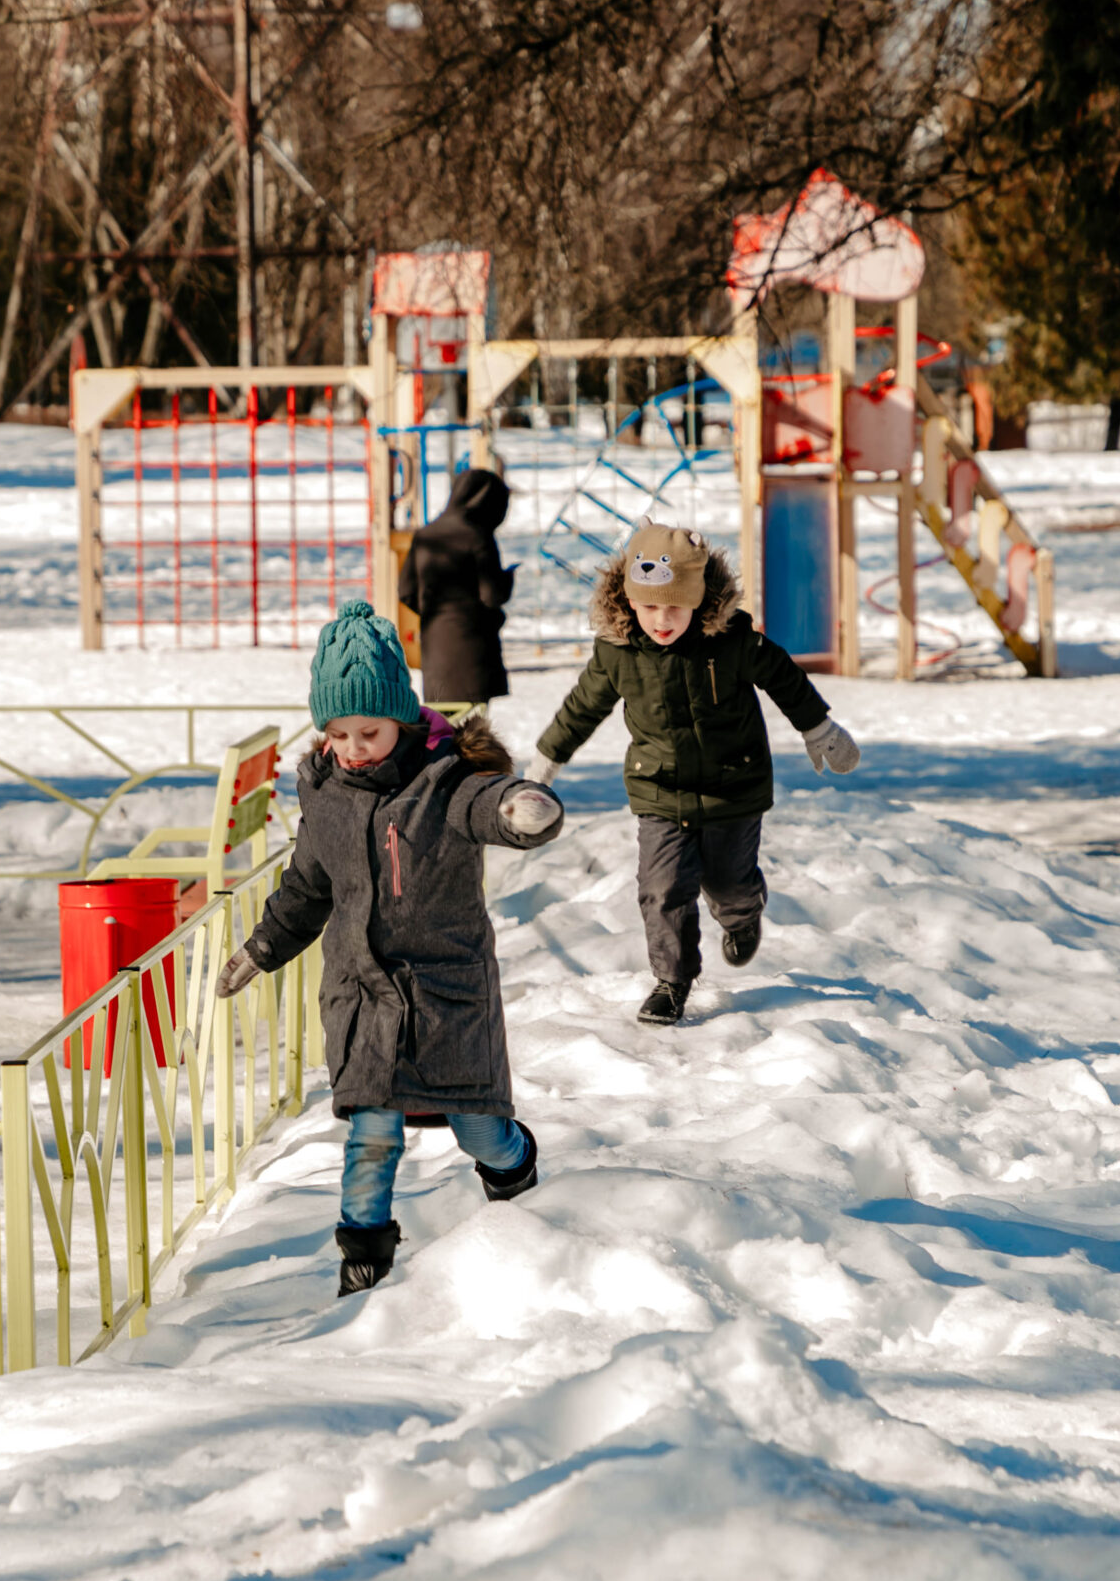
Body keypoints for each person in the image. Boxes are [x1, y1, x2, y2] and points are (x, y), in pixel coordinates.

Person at [214, 598, 565, 1295]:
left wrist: (519, 812)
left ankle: (524, 1197)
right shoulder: (329, 800)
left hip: (445, 997)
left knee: (481, 1134)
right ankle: (363, 1263)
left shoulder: (444, 785)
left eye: (367, 732)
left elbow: (488, 804)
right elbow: (307, 890)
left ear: (401, 719)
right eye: (337, 734)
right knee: (371, 1136)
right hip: (363, 999)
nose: (351, 750)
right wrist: (260, 949)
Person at [526, 524, 861, 1026]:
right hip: (660, 788)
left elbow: (784, 679)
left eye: (675, 607)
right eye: (650, 607)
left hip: (735, 784)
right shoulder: (618, 652)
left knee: (728, 882)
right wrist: (542, 768)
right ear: (629, 602)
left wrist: (818, 728)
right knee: (662, 889)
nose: (662, 621)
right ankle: (672, 981)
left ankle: (743, 911)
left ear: (699, 600)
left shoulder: (731, 641)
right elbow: (581, 710)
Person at [397, 466, 515, 704]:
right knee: (472, 734)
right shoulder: (477, 535)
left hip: (435, 651)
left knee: (440, 730)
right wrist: (508, 578)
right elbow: (492, 595)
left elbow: (406, 591)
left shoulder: (425, 535)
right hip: (474, 653)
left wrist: (435, 614)